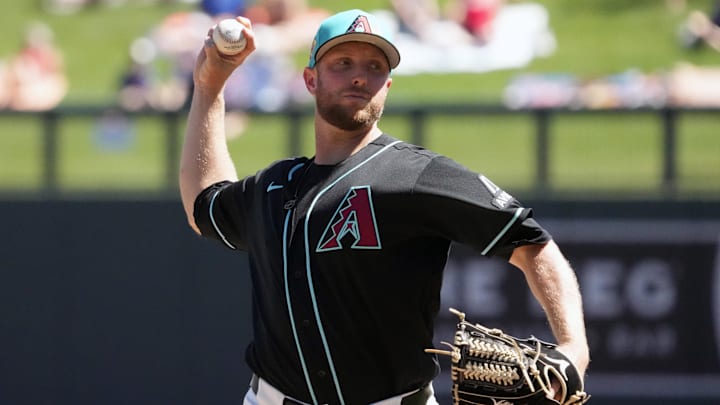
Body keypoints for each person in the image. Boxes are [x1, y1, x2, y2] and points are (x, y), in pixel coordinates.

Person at [179, 9, 590, 405]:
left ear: (387, 86)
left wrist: (574, 349)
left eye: (376, 66)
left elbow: (530, 242)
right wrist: (209, 89)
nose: (360, 74)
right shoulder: (273, 186)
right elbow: (205, 206)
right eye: (342, 61)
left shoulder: (417, 174)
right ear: (310, 79)